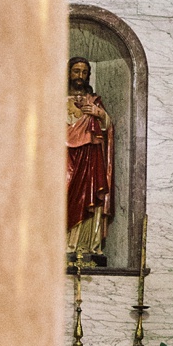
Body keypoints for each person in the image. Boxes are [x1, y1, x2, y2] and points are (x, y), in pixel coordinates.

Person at [66, 56, 114, 264]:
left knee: (90, 197)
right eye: (76, 71)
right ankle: (63, 244)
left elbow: (108, 129)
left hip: (90, 158)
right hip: (65, 158)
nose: (80, 76)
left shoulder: (94, 101)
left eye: (84, 72)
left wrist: (100, 114)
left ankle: (86, 246)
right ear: (68, 73)